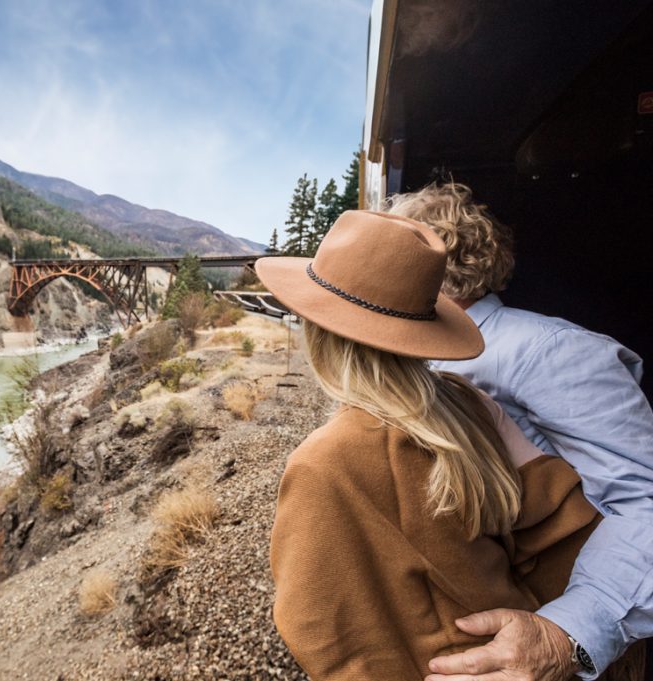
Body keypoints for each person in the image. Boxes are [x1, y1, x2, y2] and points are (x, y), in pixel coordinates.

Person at [255, 211, 640, 680]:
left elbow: (323, 634)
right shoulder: (467, 402)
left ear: (316, 329)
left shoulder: (325, 461)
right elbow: (565, 522)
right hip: (524, 647)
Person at [388, 183, 653, 681]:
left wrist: (568, 632)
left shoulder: (551, 350)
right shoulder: (418, 357)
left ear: (437, 262)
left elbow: (648, 501)